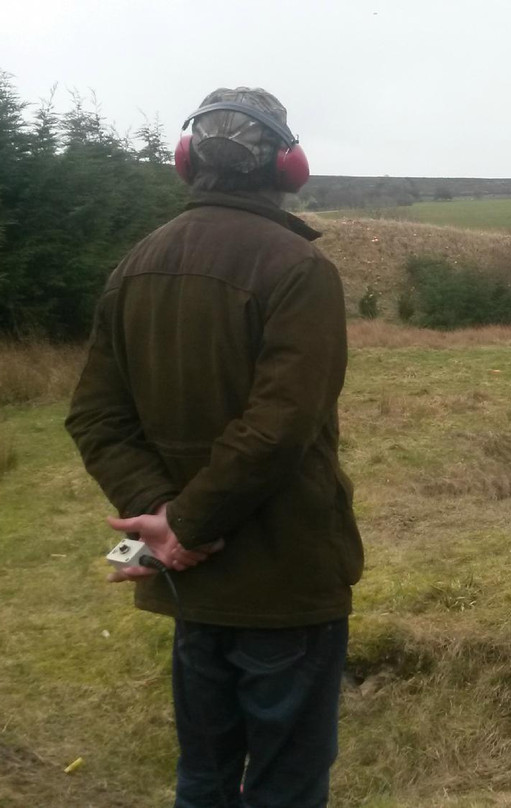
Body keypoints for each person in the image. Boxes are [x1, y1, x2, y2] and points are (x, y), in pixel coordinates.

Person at [65, 87, 363, 808]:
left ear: (187, 161)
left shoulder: (135, 264)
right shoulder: (300, 268)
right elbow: (279, 428)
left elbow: (96, 418)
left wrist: (161, 521)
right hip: (285, 580)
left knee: (202, 775)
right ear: (288, 168)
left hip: (189, 584)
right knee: (285, 783)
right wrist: (185, 527)